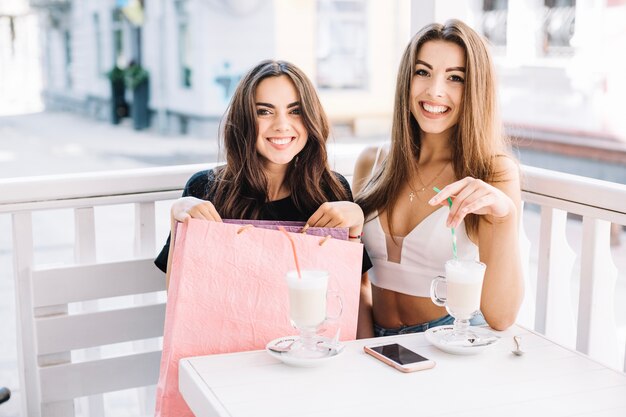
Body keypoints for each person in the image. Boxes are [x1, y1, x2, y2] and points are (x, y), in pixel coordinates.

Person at [353, 19, 524, 338]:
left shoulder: (493, 172)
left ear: (475, 88)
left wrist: (505, 216)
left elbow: (501, 316)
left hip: (451, 340)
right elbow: (357, 281)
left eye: (455, 78)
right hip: (375, 342)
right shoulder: (372, 162)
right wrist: (365, 346)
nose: (435, 91)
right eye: (423, 72)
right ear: (407, 79)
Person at [155, 59, 368, 288]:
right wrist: (177, 215)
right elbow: (179, 295)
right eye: (264, 112)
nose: (282, 125)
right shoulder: (206, 188)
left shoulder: (330, 189)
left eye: (295, 111)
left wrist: (356, 222)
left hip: (310, 325)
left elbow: (355, 290)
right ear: (244, 119)